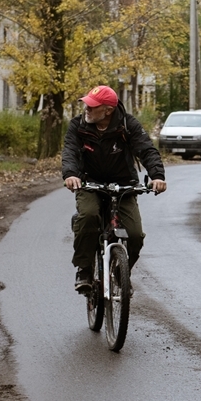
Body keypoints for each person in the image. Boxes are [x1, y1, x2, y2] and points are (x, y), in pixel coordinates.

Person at [62, 85, 167, 294]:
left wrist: (157, 176)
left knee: (135, 235)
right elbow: (70, 151)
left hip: (124, 185)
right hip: (89, 183)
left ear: (107, 110)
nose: (87, 109)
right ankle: (84, 269)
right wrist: (71, 174)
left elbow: (147, 150)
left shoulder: (128, 125)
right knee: (89, 216)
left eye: (92, 107)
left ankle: (121, 271)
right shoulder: (78, 125)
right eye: (87, 105)